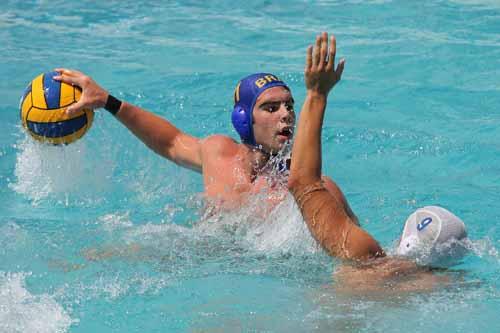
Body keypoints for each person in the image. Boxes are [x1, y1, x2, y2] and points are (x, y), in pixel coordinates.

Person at [53, 42, 357, 214]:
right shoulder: (218, 154)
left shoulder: (311, 190)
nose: (287, 114)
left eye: (290, 105)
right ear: (242, 119)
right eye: (271, 107)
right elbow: (170, 141)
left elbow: (354, 248)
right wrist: (107, 101)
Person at [287, 32, 468, 292]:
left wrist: (317, 94)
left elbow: (302, 181)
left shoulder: (364, 259)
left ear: (404, 235)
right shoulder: (453, 286)